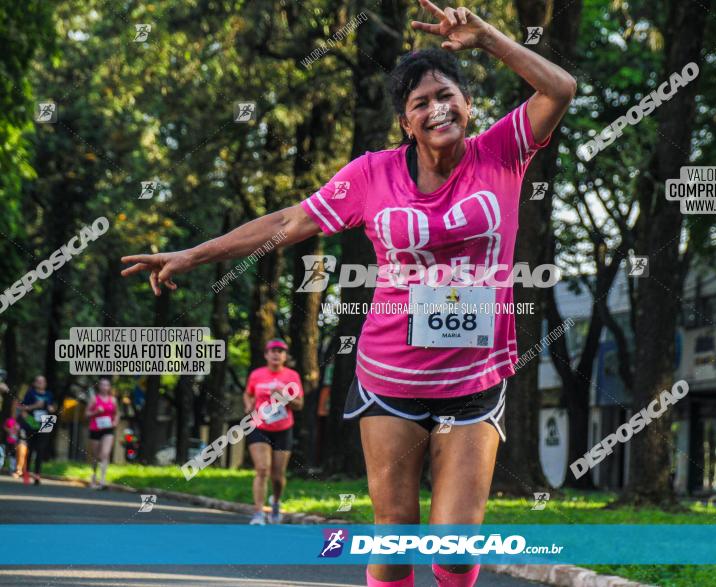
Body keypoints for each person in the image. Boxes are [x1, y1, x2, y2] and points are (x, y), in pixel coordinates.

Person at [120, 1, 574, 583]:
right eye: (421, 103)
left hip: (473, 381)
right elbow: (288, 223)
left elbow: (559, 88)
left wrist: (488, 39)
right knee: (395, 535)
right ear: (406, 123)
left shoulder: (501, 152)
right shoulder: (370, 175)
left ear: (466, 103)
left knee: (459, 550)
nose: (437, 108)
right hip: (390, 378)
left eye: (446, 95)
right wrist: (195, 253)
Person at [242, 339, 304, 525]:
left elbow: (300, 404)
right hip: (259, 426)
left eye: (280, 351)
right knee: (262, 470)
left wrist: (284, 396)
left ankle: (275, 502)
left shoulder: (292, 376)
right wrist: (248, 404)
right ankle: (259, 513)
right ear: (266, 355)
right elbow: (248, 393)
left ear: (285, 356)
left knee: (278, 476)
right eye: (273, 351)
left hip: (283, 429)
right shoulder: (257, 375)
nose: (276, 354)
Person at [17, 375, 57, 485]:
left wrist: (51, 409)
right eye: (38, 381)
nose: (40, 383)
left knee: (41, 448)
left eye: (42, 381)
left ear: (45, 384)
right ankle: (27, 473)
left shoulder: (49, 394)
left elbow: (53, 408)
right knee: (30, 448)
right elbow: (22, 407)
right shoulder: (30, 393)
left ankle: (37, 474)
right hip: (31, 422)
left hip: (46, 422)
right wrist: (35, 406)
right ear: (34, 383)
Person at [86, 377, 119, 489]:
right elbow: (86, 414)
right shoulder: (94, 399)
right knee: (96, 456)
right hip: (95, 429)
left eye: (107, 385)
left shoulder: (113, 400)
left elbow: (117, 413)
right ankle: (94, 476)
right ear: (99, 387)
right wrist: (96, 412)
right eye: (102, 385)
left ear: (109, 387)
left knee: (104, 454)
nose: (105, 387)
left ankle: (102, 480)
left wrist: (115, 422)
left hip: (108, 429)